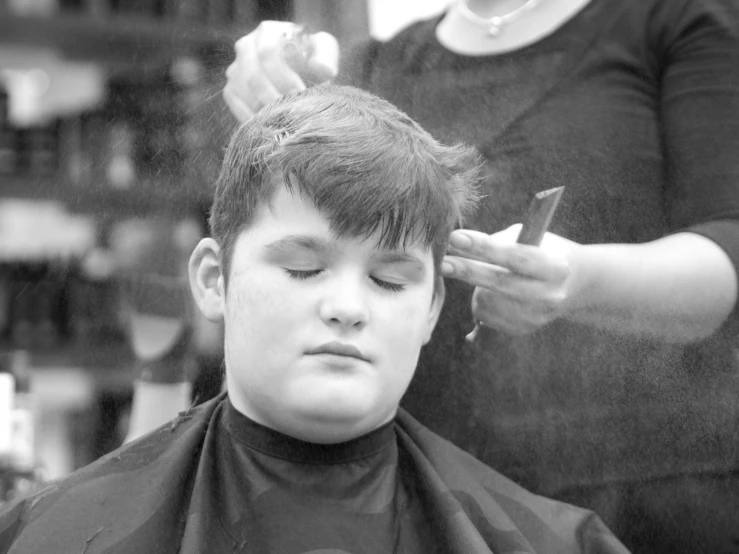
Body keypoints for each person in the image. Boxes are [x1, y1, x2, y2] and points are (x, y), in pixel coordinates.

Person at [0, 84, 629, 554]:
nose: (348, 308)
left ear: (434, 306)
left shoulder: (557, 544)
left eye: (388, 280)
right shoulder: (49, 538)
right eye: (304, 270)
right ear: (214, 280)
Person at [222, 1, 739, 552]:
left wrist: (580, 282)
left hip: (650, 493)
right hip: (434, 497)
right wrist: (295, 63)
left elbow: (727, 247)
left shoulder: (675, 19)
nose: (347, 305)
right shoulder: (390, 64)